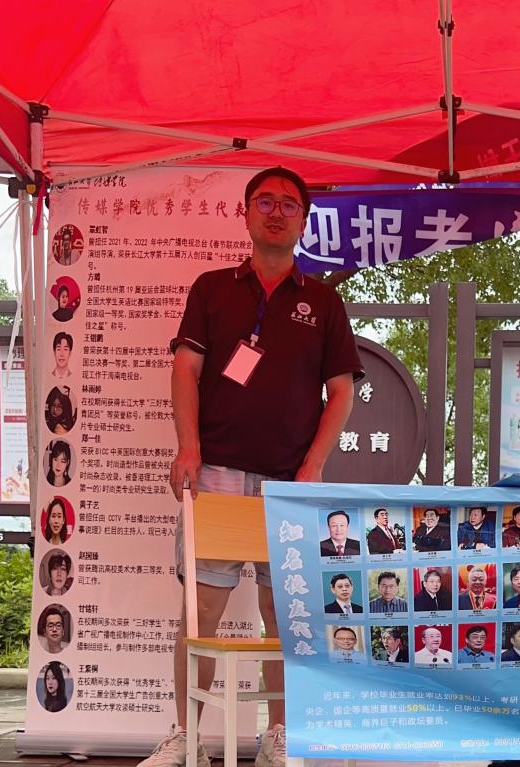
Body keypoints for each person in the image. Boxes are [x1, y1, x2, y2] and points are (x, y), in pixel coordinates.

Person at [150, 167, 363, 767]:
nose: (276, 212)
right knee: (200, 613)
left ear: (304, 220)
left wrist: (313, 467)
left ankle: (280, 735)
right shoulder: (212, 288)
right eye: (264, 201)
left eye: (289, 204)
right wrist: (188, 447)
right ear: (244, 213)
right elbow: (186, 370)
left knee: (285, 616)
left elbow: (341, 392)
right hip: (215, 473)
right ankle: (185, 738)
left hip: (288, 486)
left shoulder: (324, 301)